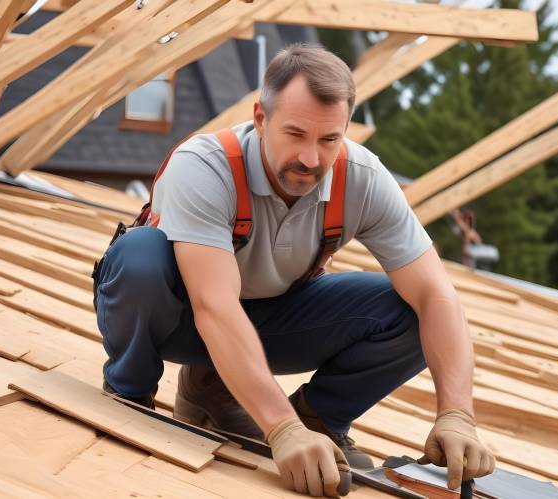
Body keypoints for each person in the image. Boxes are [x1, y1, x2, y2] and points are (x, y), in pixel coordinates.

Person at [93, 43, 495, 498]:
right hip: (180, 316)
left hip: (269, 318)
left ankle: (312, 422)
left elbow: (438, 296)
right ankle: (131, 389)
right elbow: (214, 306)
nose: (310, 159)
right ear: (260, 118)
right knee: (139, 256)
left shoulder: (361, 177)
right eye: (296, 134)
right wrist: (278, 429)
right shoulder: (206, 166)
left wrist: (457, 413)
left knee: (409, 310)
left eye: (329, 140)